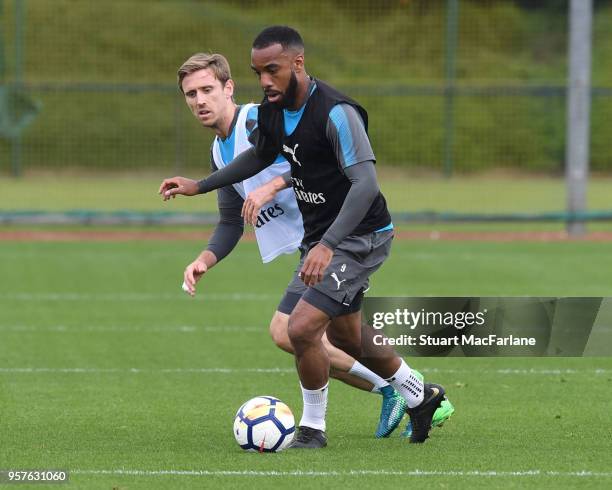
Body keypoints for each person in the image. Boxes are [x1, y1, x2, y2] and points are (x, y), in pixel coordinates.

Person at [160, 28, 450, 447]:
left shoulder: (336, 112)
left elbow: (365, 184)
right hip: (320, 237)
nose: (264, 81)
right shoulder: (273, 111)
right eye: (258, 72)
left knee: (299, 328)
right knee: (348, 336)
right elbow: (259, 158)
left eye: (272, 70)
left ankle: (312, 430)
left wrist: (325, 243)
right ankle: (419, 396)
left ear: (297, 63)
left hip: (359, 233)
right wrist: (200, 187)